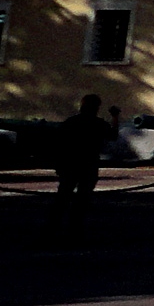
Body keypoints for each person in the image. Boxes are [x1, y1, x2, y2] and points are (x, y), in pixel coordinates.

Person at [52, 94, 112, 225]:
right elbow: (112, 135)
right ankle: (75, 226)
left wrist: (58, 165)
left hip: (70, 164)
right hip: (89, 164)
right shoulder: (99, 124)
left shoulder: (71, 122)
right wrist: (115, 117)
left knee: (63, 198)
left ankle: (54, 226)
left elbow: (59, 144)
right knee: (82, 200)